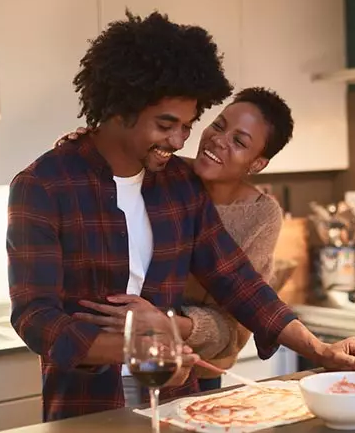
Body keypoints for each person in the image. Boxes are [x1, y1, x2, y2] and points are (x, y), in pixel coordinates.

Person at [7, 10, 355, 422]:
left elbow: (238, 281)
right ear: (120, 108)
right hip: (86, 405)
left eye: (188, 125)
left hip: (177, 402)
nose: (181, 140)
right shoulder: (42, 186)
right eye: (167, 125)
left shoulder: (178, 182)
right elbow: (35, 317)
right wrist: (137, 346)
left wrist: (321, 350)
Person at [56, 87, 295, 393]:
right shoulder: (162, 169)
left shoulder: (262, 215)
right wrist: (89, 147)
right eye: (219, 125)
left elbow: (240, 315)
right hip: (124, 355)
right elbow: (114, 156)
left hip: (199, 366)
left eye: (239, 141)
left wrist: (166, 323)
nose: (220, 140)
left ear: (257, 163)